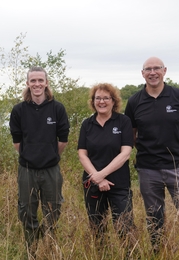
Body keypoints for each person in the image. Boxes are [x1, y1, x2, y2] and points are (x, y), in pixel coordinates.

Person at [124, 57, 179, 252]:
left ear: (164, 71)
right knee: (154, 216)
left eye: (156, 68)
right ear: (142, 73)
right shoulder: (134, 101)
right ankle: (158, 251)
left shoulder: (178, 96)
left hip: (178, 167)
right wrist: (146, 150)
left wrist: (177, 152)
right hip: (148, 169)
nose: (153, 72)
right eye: (148, 69)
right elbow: (130, 135)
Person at [9, 66, 70, 258]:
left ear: (46, 83)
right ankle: (32, 248)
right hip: (27, 169)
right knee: (26, 210)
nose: (37, 84)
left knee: (53, 209)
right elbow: (17, 142)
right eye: (33, 81)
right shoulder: (18, 110)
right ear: (27, 83)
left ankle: (49, 245)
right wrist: (31, 156)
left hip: (51, 169)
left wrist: (50, 156)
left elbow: (63, 141)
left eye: (40, 80)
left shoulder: (57, 108)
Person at [77, 83, 135, 251]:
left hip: (119, 183)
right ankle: (102, 255)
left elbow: (125, 153)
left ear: (113, 101)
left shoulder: (123, 121)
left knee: (124, 226)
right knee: (97, 227)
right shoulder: (87, 124)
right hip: (93, 184)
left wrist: (101, 175)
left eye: (105, 98)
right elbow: (82, 154)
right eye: (98, 98)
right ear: (93, 101)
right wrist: (96, 177)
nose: (101, 102)